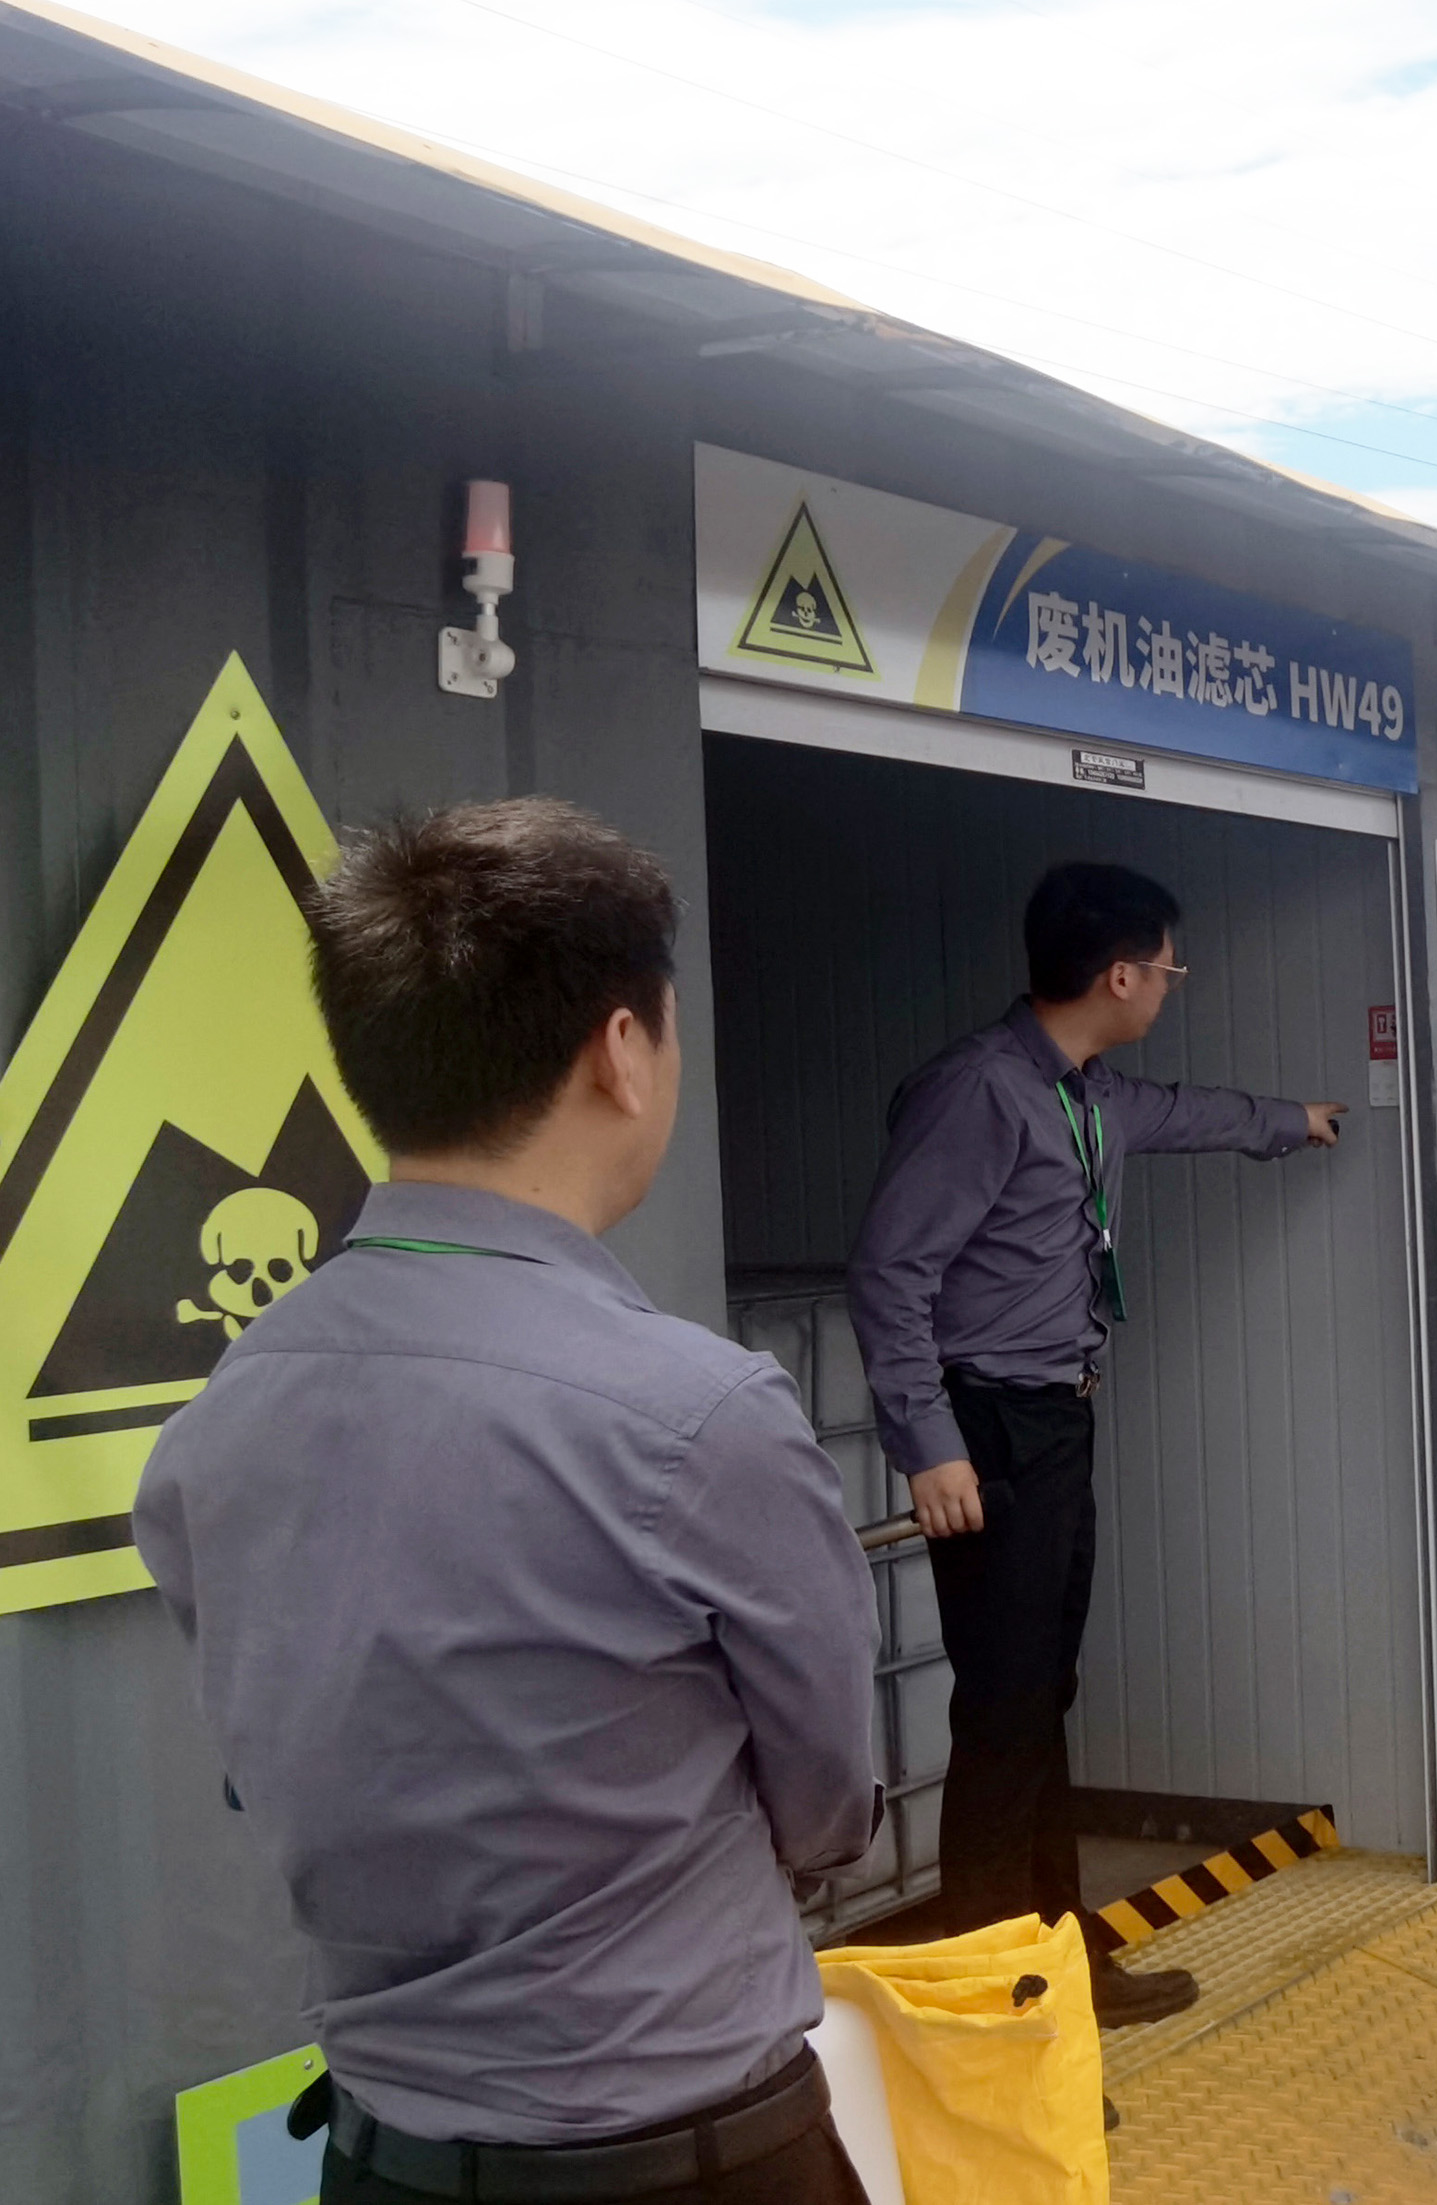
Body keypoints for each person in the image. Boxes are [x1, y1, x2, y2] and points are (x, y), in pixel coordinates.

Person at [135, 800, 883, 2201]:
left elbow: (278, 1771)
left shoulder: (217, 1425)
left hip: (383, 2163)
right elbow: (831, 1800)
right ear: (622, 1050)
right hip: (695, 2161)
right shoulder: (700, 1415)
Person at [847, 862, 1344, 2022]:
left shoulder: (1083, 1092)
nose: (1171, 985)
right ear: (1120, 975)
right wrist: (929, 1445)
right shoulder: (978, 1093)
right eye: (1168, 968)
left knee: (1040, 1694)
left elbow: (1181, 1114)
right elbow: (889, 1272)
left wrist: (1294, 1124)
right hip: (988, 1425)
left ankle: (1060, 1960)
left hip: (1055, 1419)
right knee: (1004, 1706)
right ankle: (992, 2002)